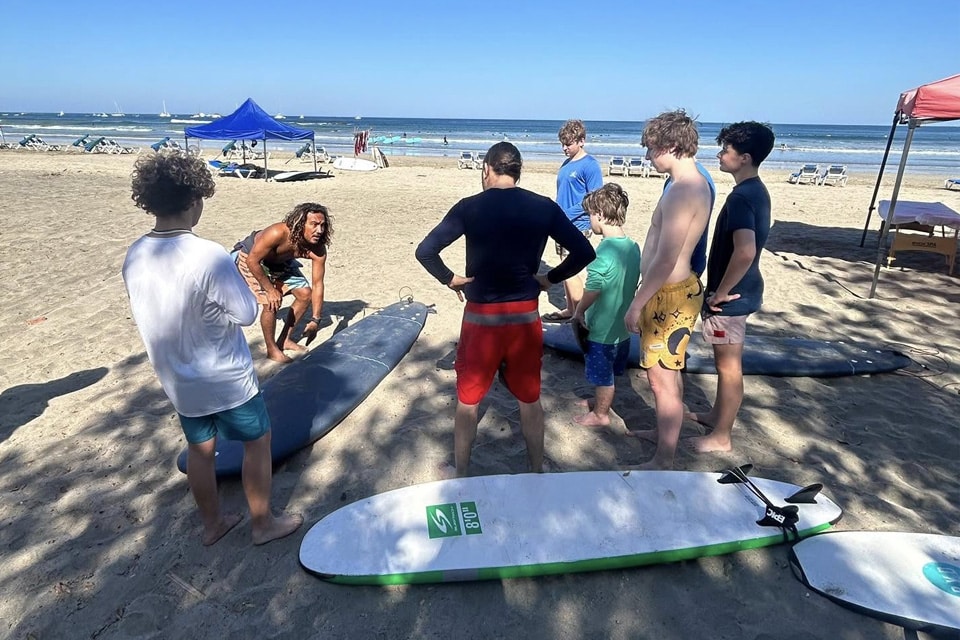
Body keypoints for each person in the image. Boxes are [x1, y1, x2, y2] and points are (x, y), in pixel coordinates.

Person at [122, 151, 302, 546]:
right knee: (258, 442)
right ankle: (262, 524)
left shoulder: (136, 253)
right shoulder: (206, 253)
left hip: (176, 378)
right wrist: (256, 292)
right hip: (224, 377)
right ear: (193, 199)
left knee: (200, 451)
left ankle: (213, 524)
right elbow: (243, 313)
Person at [415, 142, 595, 477]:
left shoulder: (469, 207)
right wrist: (549, 278)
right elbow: (584, 251)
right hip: (525, 319)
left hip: (482, 320)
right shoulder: (543, 207)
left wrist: (451, 279)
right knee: (530, 399)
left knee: (468, 401)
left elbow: (426, 251)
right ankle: (536, 469)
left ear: (487, 169)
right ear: (517, 171)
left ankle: (463, 471)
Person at [622, 109, 713, 469]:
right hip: (677, 291)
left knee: (660, 379)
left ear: (672, 146)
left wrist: (636, 304)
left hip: (669, 296)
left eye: (651, 149)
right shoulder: (696, 184)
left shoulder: (683, 190)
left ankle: (664, 459)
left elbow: (665, 259)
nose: (647, 157)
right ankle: (665, 437)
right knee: (669, 373)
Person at [686, 121, 775, 453]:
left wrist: (721, 292)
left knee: (728, 367)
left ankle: (721, 436)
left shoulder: (742, 198)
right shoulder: (754, 191)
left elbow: (746, 250)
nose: (720, 154)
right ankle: (715, 416)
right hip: (744, 291)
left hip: (733, 298)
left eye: (726, 150)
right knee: (726, 364)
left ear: (746, 158)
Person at [571, 184, 641, 428]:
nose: (590, 220)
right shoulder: (632, 247)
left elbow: (594, 288)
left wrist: (579, 310)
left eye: (590, 215)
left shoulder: (604, 251)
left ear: (599, 215)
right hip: (622, 329)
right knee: (608, 372)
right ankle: (600, 401)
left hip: (602, 329)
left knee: (603, 375)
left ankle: (600, 414)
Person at [232, 203, 332, 363]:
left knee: (305, 294)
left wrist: (315, 319)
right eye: (313, 225)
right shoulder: (278, 232)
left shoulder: (318, 249)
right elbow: (253, 261)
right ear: (300, 224)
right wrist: (270, 290)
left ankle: (284, 340)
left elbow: (318, 284)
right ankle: (272, 349)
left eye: (322, 225)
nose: (319, 231)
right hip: (251, 258)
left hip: (281, 262)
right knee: (271, 301)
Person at [542, 119, 604, 323]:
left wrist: (566, 214)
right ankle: (570, 308)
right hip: (560, 223)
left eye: (568, 144)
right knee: (563, 264)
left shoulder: (590, 165)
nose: (564, 148)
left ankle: (580, 313)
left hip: (577, 224)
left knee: (571, 269)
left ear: (581, 141)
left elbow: (593, 198)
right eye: (563, 144)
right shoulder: (566, 163)